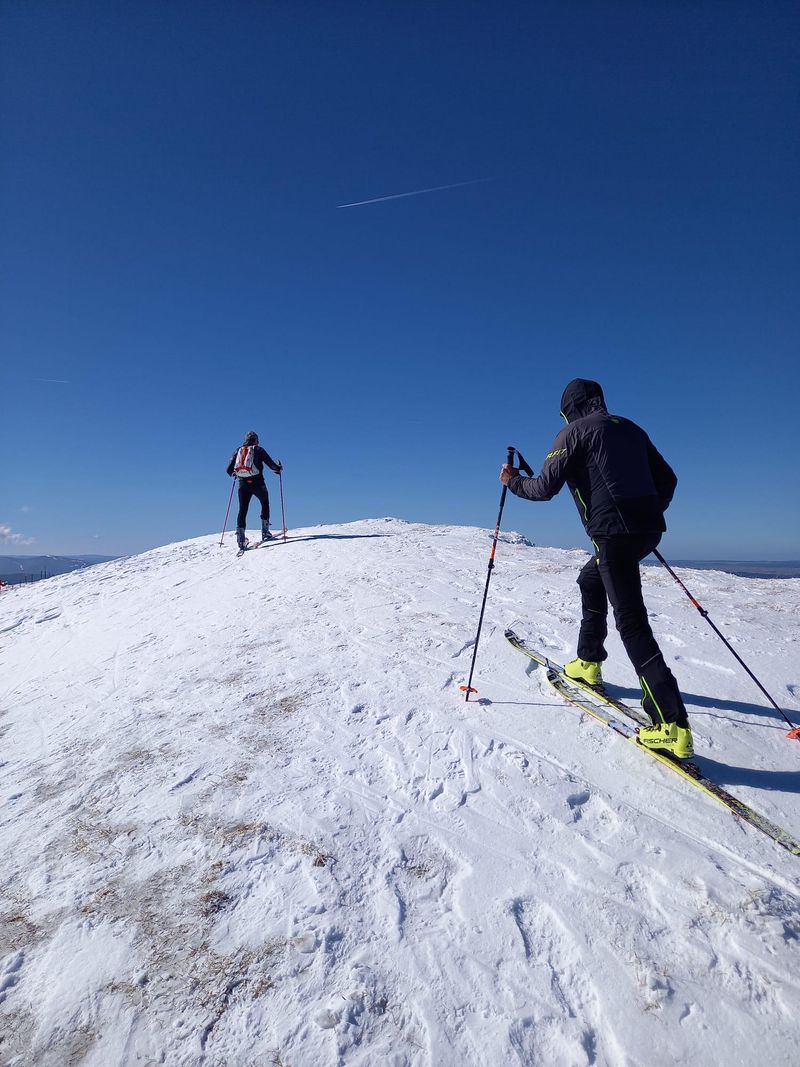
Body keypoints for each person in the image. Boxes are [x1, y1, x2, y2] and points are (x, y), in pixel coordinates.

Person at [500, 378, 694, 759]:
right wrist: (644, 515)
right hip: (645, 531)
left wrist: (512, 482)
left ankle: (672, 725)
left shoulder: (572, 433)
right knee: (590, 579)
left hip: (614, 535)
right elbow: (668, 480)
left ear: (569, 409)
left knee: (632, 623)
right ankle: (588, 661)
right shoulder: (631, 428)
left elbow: (543, 488)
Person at [226, 431, 283, 550]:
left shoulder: (238, 450)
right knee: (264, 503)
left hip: (243, 484)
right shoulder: (258, 450)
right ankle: (265, 532)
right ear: (256, 440)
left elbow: (228, 469)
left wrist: (235, 473)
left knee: (242, 509)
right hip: (258, 483)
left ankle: (241, 539)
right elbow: (271, 464)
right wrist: (278, 469)